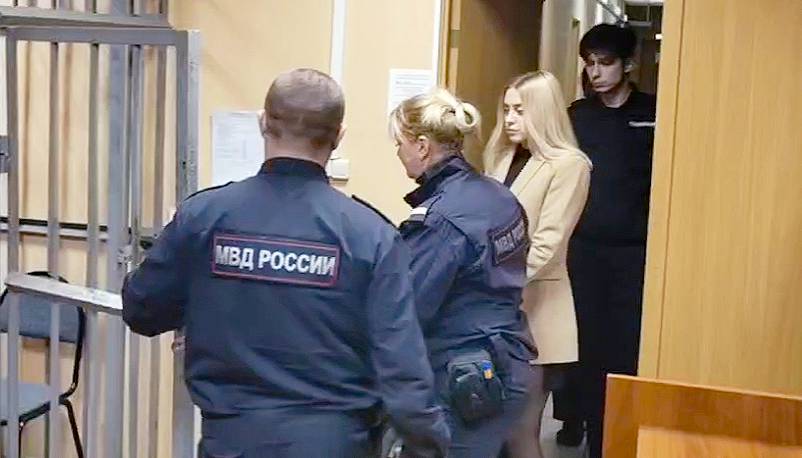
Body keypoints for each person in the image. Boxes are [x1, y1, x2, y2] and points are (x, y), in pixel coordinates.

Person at [122, 68, 450, 458]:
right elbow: (403, 371)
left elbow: (142, 310)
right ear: (338, 135)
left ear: (263, 123)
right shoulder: (371, 236)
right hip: (335, 444)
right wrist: (430, 447)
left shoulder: (204, 217)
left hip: (231, 442)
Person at [389, 88, 536, 457]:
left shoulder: (440, 221)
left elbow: (409, 310)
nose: (398, 153)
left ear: (422, 146)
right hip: (509, 360)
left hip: (464, 376)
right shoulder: (498, 195)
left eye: (400, 144)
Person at [554, 23, 657, 457]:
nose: (595, 72)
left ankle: (611, 439)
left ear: (628, 64)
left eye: (605, 63)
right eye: (589, 63)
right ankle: (576, 420)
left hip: (634, 253)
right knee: (581, 346)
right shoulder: (577, 117)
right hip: (584, 249)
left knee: (624, 350)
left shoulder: (655, 113)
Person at [483, 71, 591, 458]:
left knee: (521, 433)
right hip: (494, 314)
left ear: (542, 112)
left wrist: (489, 281)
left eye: (520, 110)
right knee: (492, 432)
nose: (510, 119)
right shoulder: (502, 157)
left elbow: (547, 246)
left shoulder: (570, 165)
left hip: (538, 312)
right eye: (507, 109)